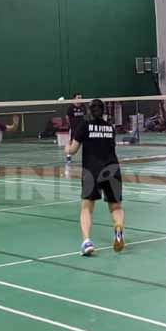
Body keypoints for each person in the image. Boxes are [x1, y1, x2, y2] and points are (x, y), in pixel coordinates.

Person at [65, 99, 125, 256]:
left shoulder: (84, 126)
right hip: (113, 168)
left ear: (89, 111)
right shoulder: (110, 128)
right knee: (116, 206)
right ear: (103, 111)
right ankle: (118, 227)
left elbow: (72, 150)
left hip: (92, 170)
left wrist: (67, 147)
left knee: (86, 208)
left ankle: (87, 242)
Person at [65, 93, 85, 164]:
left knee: (86, 142)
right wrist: (70, 125)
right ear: (74, 99)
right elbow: (67, 117)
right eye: (78, 97)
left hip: (82, 129)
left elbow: (85, 116)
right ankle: (68, 156)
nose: (80, 99)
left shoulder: (83, 106)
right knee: (71, 142)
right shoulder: (71, 107)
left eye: (81, 98)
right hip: (74, 129)